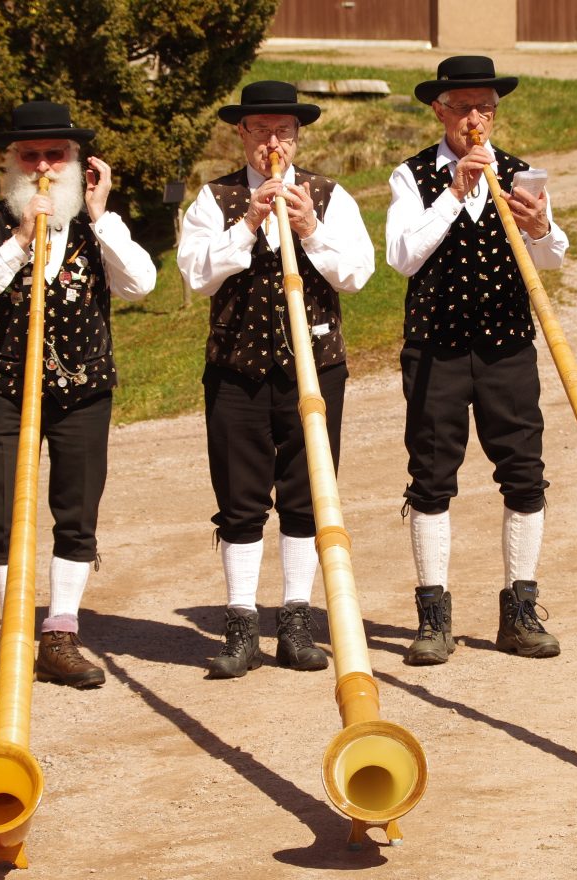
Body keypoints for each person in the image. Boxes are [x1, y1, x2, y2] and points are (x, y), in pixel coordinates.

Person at [0, 100, 157, 698]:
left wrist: (102, 213)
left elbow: (141, 284)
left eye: (54, 154)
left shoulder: (97, 224)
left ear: (75, 163)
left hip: (84, 390)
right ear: (12, 162)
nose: (43, 164)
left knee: (76, 509)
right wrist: (18, 240)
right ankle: (15, 638)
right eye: (31, 154)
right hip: (8, 389)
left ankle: (59, 636)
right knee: (6, 511)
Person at [176, 81, 375, 679]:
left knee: (305, 494)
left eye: (283, 130)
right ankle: (240, 625)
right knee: (239, 501)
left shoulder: (329, 196)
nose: (272, 141)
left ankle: (294, 622)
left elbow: (357, 275)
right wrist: (247, 224)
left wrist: (310, 228)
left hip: (314, 369)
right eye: (260, 129)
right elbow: (195, 277)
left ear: (297, 135)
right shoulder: (214, 200)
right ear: (242, 133)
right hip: (236, 369)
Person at [385, 56, 570, 666]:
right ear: (439, 111)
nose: (475, 119)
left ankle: (519, 610)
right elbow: (403, 257)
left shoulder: (521, 174)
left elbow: (551, 261)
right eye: (463, 107)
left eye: (485, 108)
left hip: (506, 347)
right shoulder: (411, 177)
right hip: (435, 347)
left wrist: (542, 228)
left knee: (524, 472)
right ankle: (433, 615)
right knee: (431, 475)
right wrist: (454, 193)